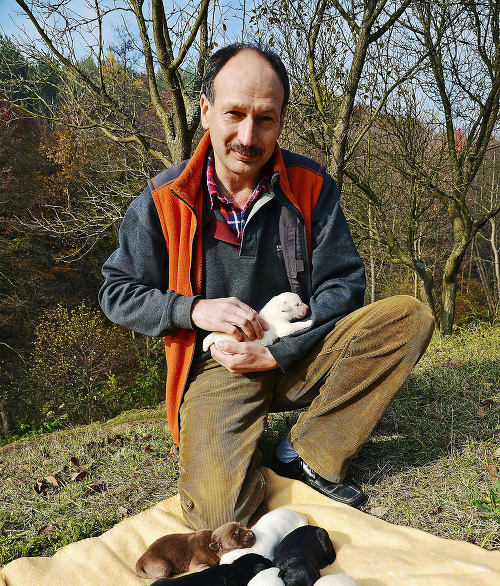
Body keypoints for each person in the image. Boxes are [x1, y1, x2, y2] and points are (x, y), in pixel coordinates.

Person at [99, 42, 434, 531]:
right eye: (234, 114)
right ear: (206, 109)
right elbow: (117, 291)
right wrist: (193, 309)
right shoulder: (163, 200)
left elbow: (344, 283)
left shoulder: (311, 184)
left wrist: (280, 350)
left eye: (266, 118)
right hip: (221, 367)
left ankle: (307, 454)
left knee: (409, 316)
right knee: (219, 520)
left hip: (300, 349)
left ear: (282, 119)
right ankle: (237, 448)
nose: (248, 136)